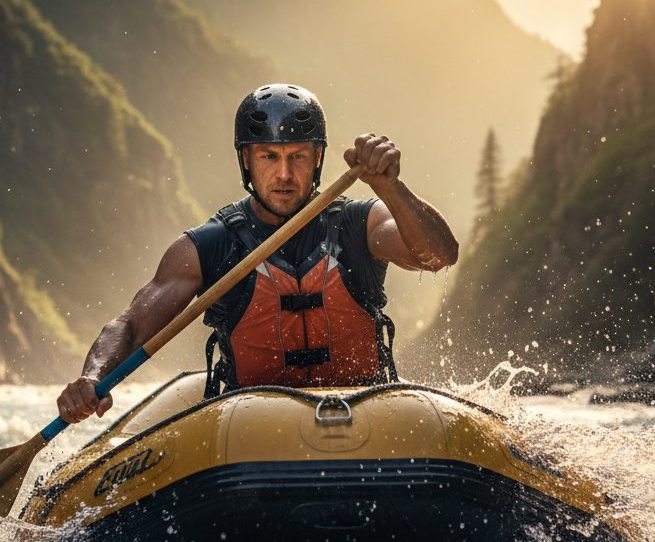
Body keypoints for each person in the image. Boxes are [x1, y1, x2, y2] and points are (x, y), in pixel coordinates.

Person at [56, 84, 458, 423]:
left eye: (297, 156)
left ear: (318, 158)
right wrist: (92, 378)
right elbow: (130, 325)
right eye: (269, 156)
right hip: (252, 428)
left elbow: (439, 255)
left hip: (366, 412)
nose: (284, 174)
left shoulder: (359, 223)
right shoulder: (210, 245)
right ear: (247, 160)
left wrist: (389, 187)